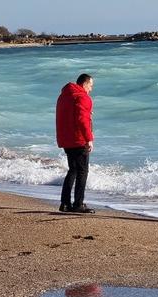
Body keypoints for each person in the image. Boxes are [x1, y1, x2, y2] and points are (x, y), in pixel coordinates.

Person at [56, 74, 95, 214]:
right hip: (79, 139)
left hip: (66, 139)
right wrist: (89, 138)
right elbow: (82, 120)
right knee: (82, 171)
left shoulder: (64, 96)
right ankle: (78, 203)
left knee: (72, 170)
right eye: (90, 86)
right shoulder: (83, 97)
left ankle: (65, 203)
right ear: (84, 84)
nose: (91, 89)